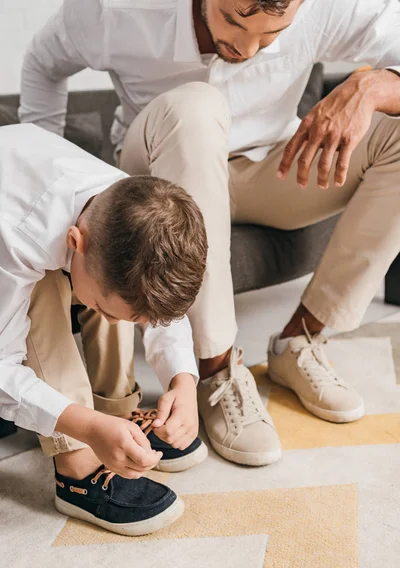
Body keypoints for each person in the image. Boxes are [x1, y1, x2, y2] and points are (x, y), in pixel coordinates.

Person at [19, 0, 400, 467]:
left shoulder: (324, 6)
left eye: (270, 35)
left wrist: (374, 82)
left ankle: (300, 339)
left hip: (272, 167)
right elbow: (43, 61)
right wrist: (50, 160)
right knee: (197, 104)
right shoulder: (113, 10)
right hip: (158, 172)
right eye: (234, 21)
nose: (246, 48)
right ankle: (217, 372)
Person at [0, 123, 209, 535]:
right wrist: (85, 428)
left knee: (118, 289)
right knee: (44, 294)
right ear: (76, 241)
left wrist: (183, 382)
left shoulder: (127, 207)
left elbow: (154, 303)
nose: (115, 325)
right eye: (101, 311)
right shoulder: (15, 236)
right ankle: (77, 462)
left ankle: (116, 415)